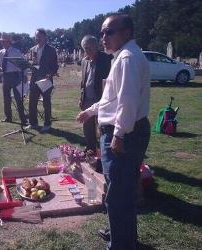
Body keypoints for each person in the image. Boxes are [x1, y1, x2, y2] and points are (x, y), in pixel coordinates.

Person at [77, 14, 151, 250]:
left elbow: (126, 103)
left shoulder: (127, 58)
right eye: (102, 33)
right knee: (120, 188)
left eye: (109, 32)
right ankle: (119, 232)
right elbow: (111, 98)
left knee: (119, 194)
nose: (103, 38)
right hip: (124, 130)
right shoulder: (122, 57)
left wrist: (118, 136)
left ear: (127, 32)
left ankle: (121, 244)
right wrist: (89, 111)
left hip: (124, 133)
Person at [79, 35, 111, 154]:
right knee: (87, 125)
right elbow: (83, 82)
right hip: (87, 98)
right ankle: (91, 148)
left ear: (96, 46)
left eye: (89, 48)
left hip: (101, 98)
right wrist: (81, 98)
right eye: (85, 48)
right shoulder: (84, 61)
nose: (87, 51)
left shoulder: (106, 59)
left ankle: (104, 151)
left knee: (102, 126)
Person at [27, 28, 59, 133]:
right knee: (32, 102)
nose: (37, 38)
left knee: (46, 103)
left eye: (39, 36)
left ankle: (47, 124)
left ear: (45, 37)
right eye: (36, 36)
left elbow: (55, 65)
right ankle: (33, 123)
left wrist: (50, 74)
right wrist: (31, 63)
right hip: (34, 80)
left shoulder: (51, 49)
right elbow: (31, 64)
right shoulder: (32, 49)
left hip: (46, 80)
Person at [0, 33, 27, 126]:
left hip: (16, 76)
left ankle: (23, 119)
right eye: (2, 41)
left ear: (9, 42)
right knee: (6, 98)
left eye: (5, 41)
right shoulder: (0, 53)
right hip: (5, 76)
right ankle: (8, 117)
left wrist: (25, 75)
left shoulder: (16, 51)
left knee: (18, 99)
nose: (3, 43)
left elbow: (23, 64)